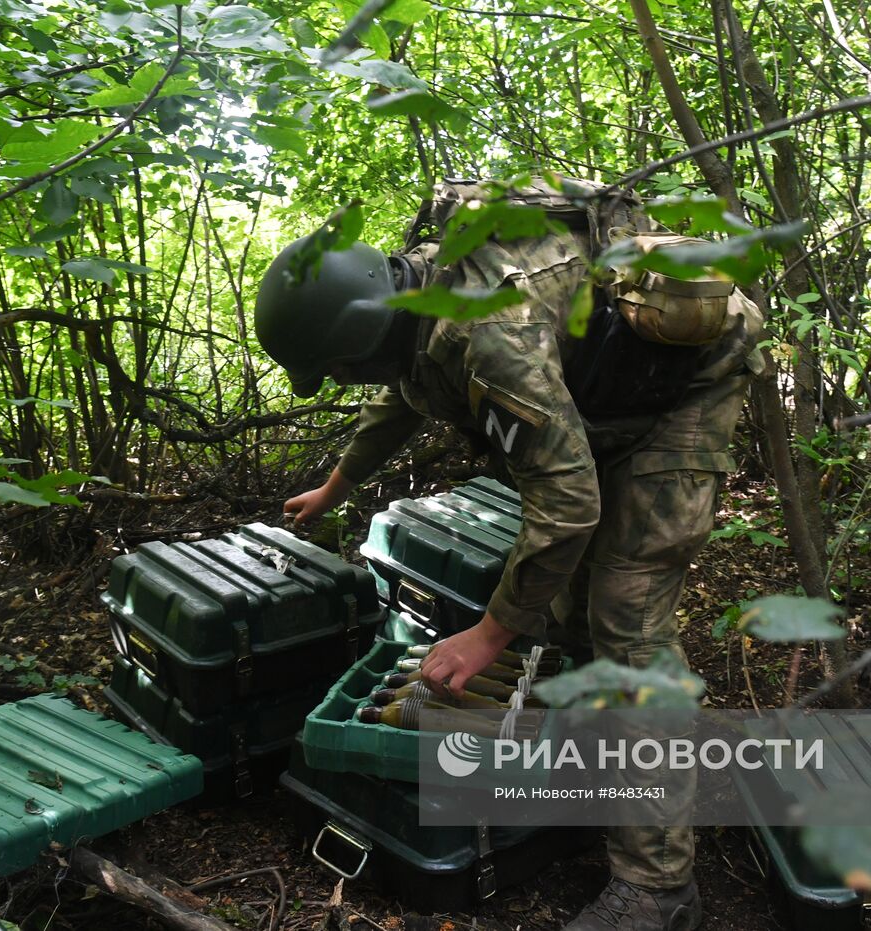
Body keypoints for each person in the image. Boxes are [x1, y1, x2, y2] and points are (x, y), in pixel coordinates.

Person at [253, 178, 762, 931]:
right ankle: (596, 777)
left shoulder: (488, 334)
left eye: (334, 366)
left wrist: (488, 635)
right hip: (604, 390)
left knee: (627, 623)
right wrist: (339, 483)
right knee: (566, 606)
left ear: (356, 339)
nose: (340, 378)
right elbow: (406, 388)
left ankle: (657, 888)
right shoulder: (415, 299)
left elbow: (569, 504)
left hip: (685, 393)